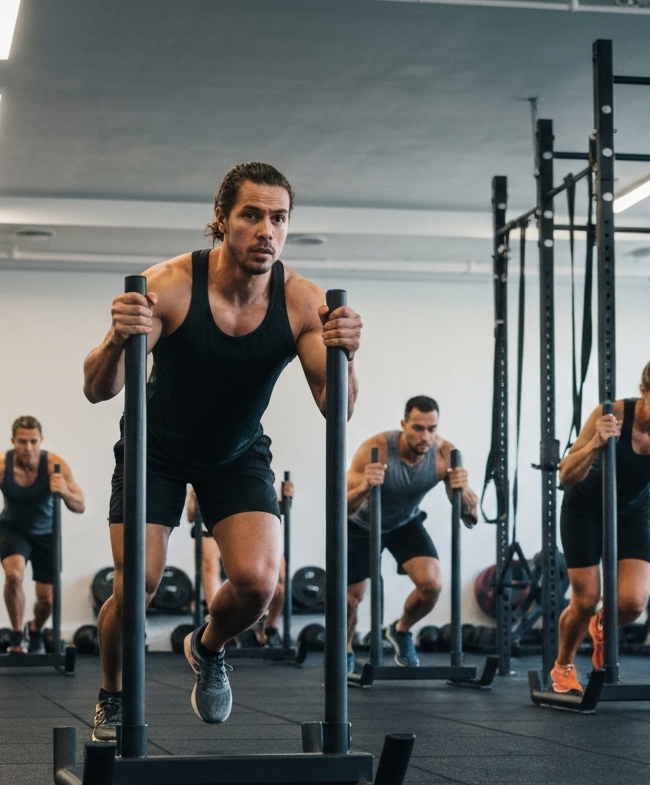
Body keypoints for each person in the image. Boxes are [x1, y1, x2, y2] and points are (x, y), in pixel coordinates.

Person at [82, 161, 362, 741]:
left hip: (236, 453)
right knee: (138, 585)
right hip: (153, 450)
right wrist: (116, 335)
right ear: (222, 220)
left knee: (260, 585)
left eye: (278, 218)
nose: (267, 230)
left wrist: (346, 356)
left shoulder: (302, 302)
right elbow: (97, 389)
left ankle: (207, 648)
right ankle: (112, 694)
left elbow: (337, 408)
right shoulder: (172, 285)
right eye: (252, 215)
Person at [551, 342, 650, 694]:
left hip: (634, 512)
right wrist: (596, 443)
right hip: (585, 508)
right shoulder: (613, 414)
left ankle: (601, 627)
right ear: (643, 391)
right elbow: (565, 475)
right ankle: (563, 666)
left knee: (632, 603)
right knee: (585, 598)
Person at [345, 396, 477, 670]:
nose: (425, 436)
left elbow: (470, 518)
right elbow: (341, 506)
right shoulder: (377, 448)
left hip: (405, 523)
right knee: (351, 601)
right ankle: (344, 651)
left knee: (432, 585)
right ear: (404, 424)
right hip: (362, 525)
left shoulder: (444, 455)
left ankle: (401, 630)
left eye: (432, 429)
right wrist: (364, 488)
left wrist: (463, 490)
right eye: (417, 428)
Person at [0, 416, 85, 652]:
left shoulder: (54, 465)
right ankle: (18, 635)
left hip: (47, 533)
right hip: (13, 529)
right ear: (13, 441)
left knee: (46, 599)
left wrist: (65, 492)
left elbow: (80, 505)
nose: (28, 448)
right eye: (22, 442)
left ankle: (35, 629)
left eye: (33, 441)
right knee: (14, 576)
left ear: (41, 441)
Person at [186, 482, 294, 647]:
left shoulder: (255, 479)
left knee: (281, 580)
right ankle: (217, 623)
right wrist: (194, 495)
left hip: (245, 534)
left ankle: (269, 628)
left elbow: (277, 510)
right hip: (211, 533)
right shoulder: (204, 479)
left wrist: (288, 499)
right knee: (209, 563)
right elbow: (191, 516)